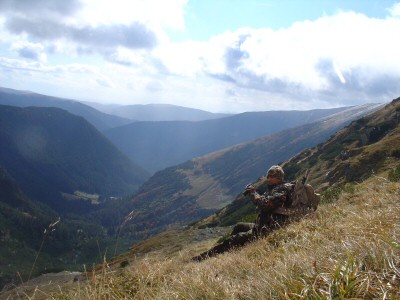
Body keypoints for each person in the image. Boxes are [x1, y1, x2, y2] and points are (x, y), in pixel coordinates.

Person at [192, 165, 293, 262]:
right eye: (268, 176)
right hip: (261, 225)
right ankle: (233, 249)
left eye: (272, 177)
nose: (268, 179)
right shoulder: (275, 188)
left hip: (266, 230)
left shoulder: (281, 190)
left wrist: (253, 193)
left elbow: (266, 205)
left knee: (232, 240)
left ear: (279, 178)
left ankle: (201, 258)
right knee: (239, 226)